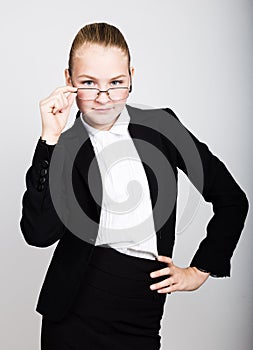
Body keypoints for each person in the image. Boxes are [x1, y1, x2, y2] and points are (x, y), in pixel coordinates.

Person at [20, 22, 249, 350]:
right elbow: (39, 234)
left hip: (141, 310)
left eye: (116, 83)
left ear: (131, 76)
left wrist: (201, 269)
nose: (103, 98)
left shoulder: (162, 126)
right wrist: (50, 141)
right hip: (73, 311)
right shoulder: (65, 145)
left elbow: (231, 199)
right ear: (69, 81)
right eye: (88, 83)